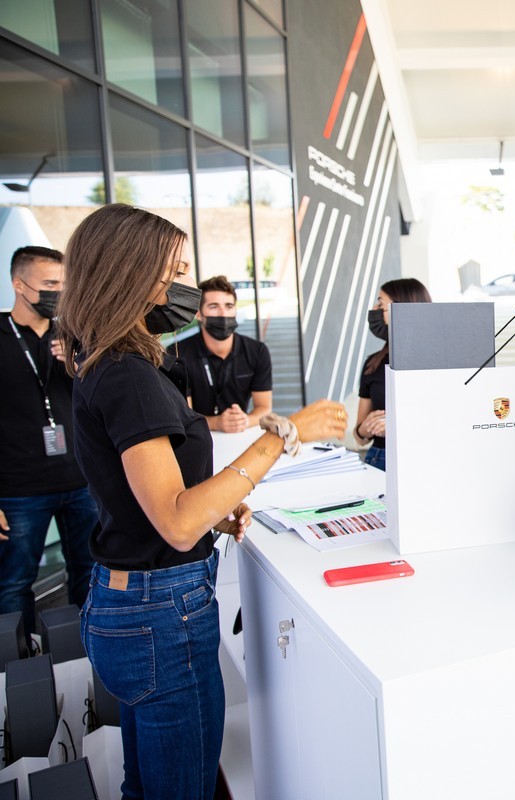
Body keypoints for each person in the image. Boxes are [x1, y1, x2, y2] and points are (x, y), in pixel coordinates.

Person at [58, 204, 346, 800]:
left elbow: (152, 495)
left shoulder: (113, 366)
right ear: (129, 273)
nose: (185, 289)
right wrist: (286, 433)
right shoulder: (129, 376)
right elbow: (180, 522)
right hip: (159, 614)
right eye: (175, 271)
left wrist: (221, 502)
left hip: (128, 605)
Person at [0, 245, 97, 644]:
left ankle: (90, 653)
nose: (60, 292)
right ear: (19, 285)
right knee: (13, 582)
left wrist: (75, 368)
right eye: (50, 284)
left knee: (90, 573)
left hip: (81, 481)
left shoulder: (75, 336)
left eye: (63, 283)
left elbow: (101, 400)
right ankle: (18, 669)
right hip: (19, 490)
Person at [175, 275, 272, 432]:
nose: (223, 314)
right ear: (198, 314)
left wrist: (245, 421)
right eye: (213, 306)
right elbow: (184, 417)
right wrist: (216, 423)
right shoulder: (178, 354)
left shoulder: (257, 351)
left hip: (240, 437)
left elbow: (264, 407)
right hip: (197, 439)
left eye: (229, 306)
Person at [354, 278, 432, 470]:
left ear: (402, 308)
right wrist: (364, 430)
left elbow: (445, 423)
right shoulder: (373, 363)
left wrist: (398, 426)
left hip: (423, 459)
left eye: (381, 304)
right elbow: (359, 438)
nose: (374, 309)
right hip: (379, 459)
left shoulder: (435, 361)